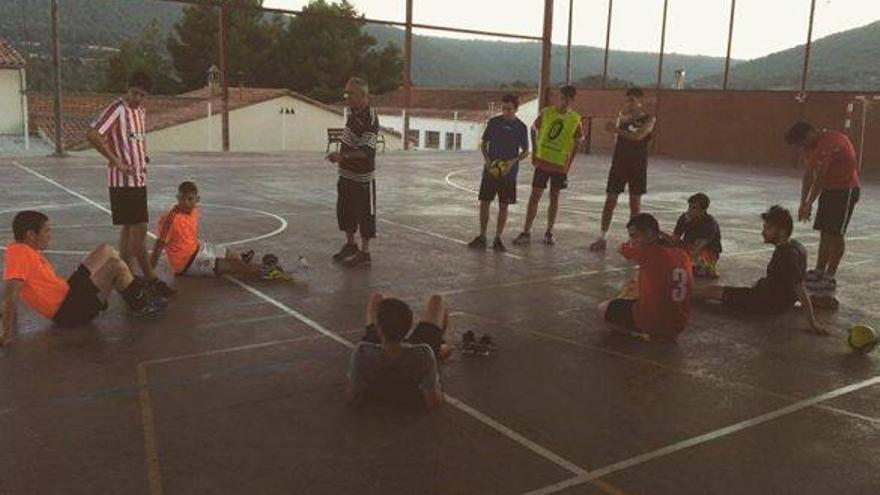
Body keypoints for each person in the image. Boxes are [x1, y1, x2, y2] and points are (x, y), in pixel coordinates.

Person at [1, 211, 164, 347]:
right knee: (115, 266)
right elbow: (11, 294)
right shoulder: (20, 254)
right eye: (46, 231)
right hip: (68, 311)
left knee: (106, 249)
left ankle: (130, 288)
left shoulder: (21, 249)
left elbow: (16, 291)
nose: (50, 236)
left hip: (68, 292)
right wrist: (8, 332)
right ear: (30, 234)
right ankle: (140, 304)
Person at [85, 71, 174, 298]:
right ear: (128, 88)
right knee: (140, 229)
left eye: (143, 95)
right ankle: (150, 279)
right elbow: (93, 134)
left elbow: (132, 141)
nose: (137, 98)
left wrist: (141, 157)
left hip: (138, 178)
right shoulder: (117, 109)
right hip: (124, 181)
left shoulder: (140, 111)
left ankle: (127, 280)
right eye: (134, 93)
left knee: (128, 229)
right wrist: (115, 161)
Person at [695, 205, 825, 335]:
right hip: (776, 297)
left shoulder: (787, 256)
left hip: (767, 303)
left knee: (714, 291)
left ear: (782, 231)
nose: (763, 232)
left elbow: (800, 287)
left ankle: (686, 294)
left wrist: (812, 323)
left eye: (768, 228)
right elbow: (795, 281)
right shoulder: (795, 245)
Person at [149, 181, 285, 280]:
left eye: (190, 199)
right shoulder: (170, 219)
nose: (186, 202)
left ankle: (243, 262)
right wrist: (149, 277)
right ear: (177, 198)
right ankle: (269, 271)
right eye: (182, 199)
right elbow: (158, 248)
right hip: (186, 263)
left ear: (197, 199)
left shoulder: (194, 211)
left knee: (235, 256)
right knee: (234, 266)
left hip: (198, 248)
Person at [785, 121, 861, 292]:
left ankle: (829, 277)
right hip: (829, 189)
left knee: (835, 233)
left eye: (802, 142)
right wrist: (803, 203)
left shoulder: (832, 142)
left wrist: (809, 204)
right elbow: (808, 175)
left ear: (811, 132)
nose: (802, 147)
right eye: (799, 145)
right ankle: (819, 271)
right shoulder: (809, 146)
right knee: (825, 231)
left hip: (845, 190)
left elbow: (819, 177)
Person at [597, 213, 693, 340]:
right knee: (640, 285)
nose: (632, 240)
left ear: (648, 233)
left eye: (634, 235)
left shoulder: (645, 251)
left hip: (651, 323)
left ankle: (637, 333)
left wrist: (630, 245)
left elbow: (621, 248)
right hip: (679, 325)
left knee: (603, 308)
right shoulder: (682, 253)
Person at [348, 293, 448, 409]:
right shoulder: (424, 353)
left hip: (378, 348)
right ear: (409, 327)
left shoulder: (363, 351)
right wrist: (438, 389)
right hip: (414, 354)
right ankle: (441, 345)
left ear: (379, 329)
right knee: (437, 299)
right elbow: (433, 401)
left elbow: (352, 396)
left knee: (377, 297)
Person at [512, 85, 584, 246]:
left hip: (559, 165)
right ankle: (526, 231)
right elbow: (533, 129)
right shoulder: (547, 113)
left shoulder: (575, 119)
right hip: (543, 162)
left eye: (568, 99)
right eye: (562, 98)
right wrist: (535, 150)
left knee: (554, 197)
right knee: (534, 197)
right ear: (559, 98)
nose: (564, 102)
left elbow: (578, 142)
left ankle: (549, 232)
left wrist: (569, 163)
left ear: (572, 101)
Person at [590, 88, 656, 252]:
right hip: (619, 164)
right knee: (610, 201)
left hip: (637, 165)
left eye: (632, 100)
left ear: (640, 102)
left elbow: (638, 136)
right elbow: (616, 139)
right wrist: (618, 127)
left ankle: (633, 242)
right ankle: (602, 237)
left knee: (635, 205)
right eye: (627, 100)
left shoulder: (649, 119)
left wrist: (616, 129)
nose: (629, 103)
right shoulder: (623, 118)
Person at [327, 77, 379, 267]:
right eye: (346, 93)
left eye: (350, 93)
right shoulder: (352, 112)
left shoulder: (370, 117)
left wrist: (343, 157)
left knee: (365, 214)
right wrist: (342, 161)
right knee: (345, 211)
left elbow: (367, 151)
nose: (347, 97)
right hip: (346, 174)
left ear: (363, 95)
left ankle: (365, 252)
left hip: (362, 178)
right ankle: (351, 245)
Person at [468, 94, 529, 252]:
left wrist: (512, 162)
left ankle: (498, 238)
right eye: (503, 108)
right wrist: (487, 161)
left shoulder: (521, 127)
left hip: (508, 173)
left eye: (509, 109)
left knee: (504, 206)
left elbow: (525, 152)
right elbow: (484, 144)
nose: (505, 111)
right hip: (491, 171)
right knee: (485, 203)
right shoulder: (494, 123)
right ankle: (482, 236)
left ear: (516, 109)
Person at [673, 193, 722, 278]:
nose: (689, 210)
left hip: (707, 251)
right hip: (689, 248)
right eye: (689, 207)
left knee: (699, 262)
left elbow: (697, 247)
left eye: (694, 208)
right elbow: (674, 239)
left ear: (703, 210)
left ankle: (704, 267)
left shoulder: (710, 222)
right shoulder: (684, 218)